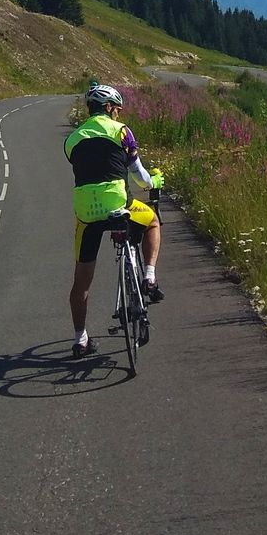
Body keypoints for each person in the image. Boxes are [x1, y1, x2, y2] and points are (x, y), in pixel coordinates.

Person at [63, 82, 164, 359]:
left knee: (81, 282)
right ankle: (149, 277)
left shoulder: (71, 140)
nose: (118, 113)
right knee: (152, 222)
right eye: (117, 109)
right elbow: (139, 176)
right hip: (119, 205)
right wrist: (155, 181)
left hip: (86, 212)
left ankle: (80, 340)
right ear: (108, 107)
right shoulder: (122, 132)